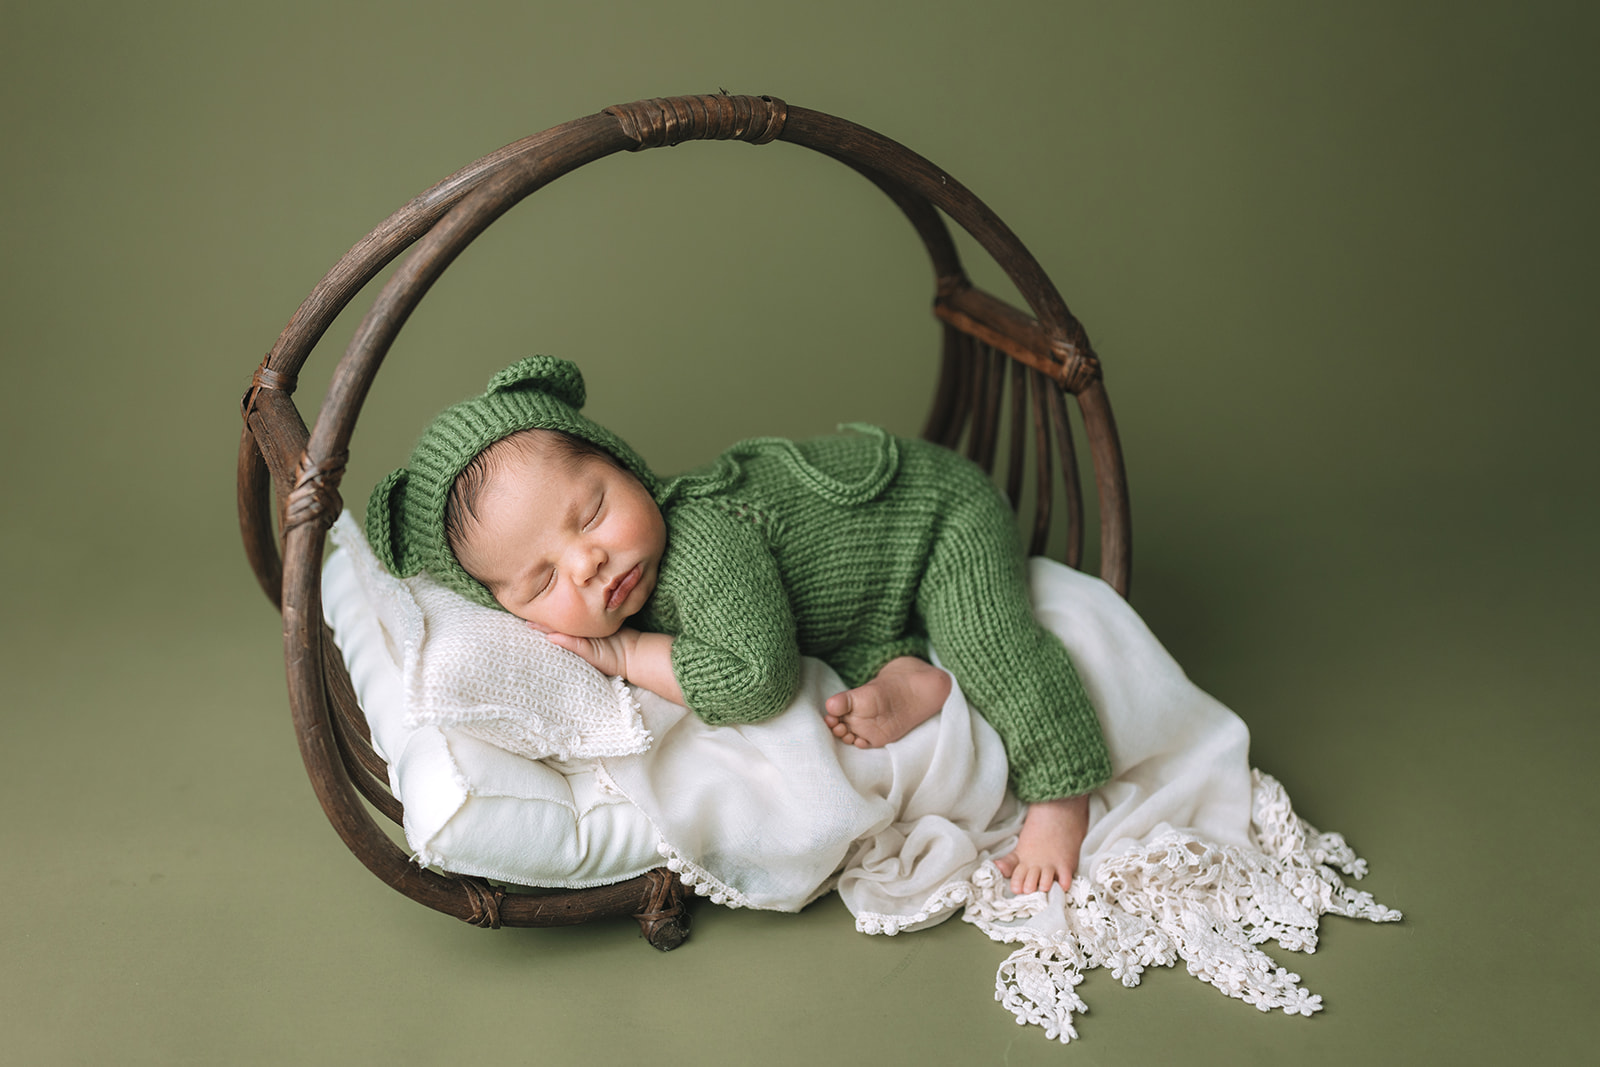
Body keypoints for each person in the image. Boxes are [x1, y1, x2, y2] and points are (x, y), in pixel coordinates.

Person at [366, 356, 1111, 895]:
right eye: (544, 579)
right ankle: (905, 669)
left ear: (625, 464)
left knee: (990, 642)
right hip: (859, 591)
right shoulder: (622, 573)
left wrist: (625, 651)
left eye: (591, 512)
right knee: (838, 629)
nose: (589, 561)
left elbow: (758, 680)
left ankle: (1061, 794)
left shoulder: (700, 550)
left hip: (934, 516)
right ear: (510, 610)